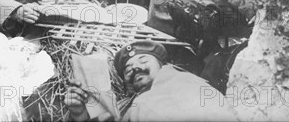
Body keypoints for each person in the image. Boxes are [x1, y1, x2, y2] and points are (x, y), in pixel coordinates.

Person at [65, 41, 237, 121]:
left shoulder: (184, 82)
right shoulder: (127, 106)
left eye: (144, 60)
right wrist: (80, 115)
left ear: (164, 65)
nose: (135, 68)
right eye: (127, 69)